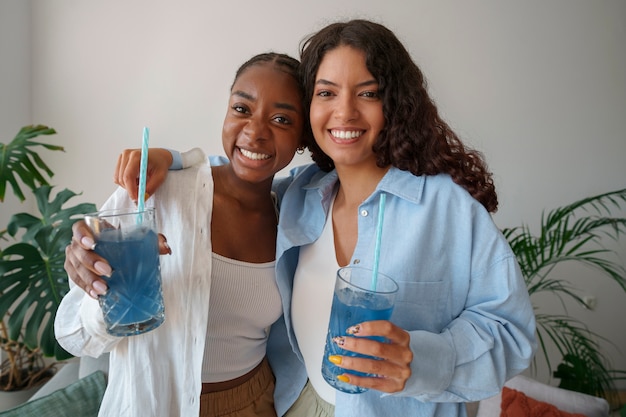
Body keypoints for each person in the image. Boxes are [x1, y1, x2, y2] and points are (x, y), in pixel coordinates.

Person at [81, 19, 537, 417]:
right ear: (310, 113)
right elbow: (244, 171)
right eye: (326, 93)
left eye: (368, 94)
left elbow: (510, 332)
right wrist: (175, 159)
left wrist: (423, 360)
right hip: (296, 405)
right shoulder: (301, 192)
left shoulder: (446, 207)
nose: (344, 112)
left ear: (395, 103)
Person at [55, 52, 307, 417]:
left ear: (302, 137)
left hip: (255, 402)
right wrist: (101, 290)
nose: (255, 131)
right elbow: (76, 337)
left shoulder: (294, 216)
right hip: (155, 404)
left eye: (281, 119)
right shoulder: (155, 193)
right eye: (241, 108)